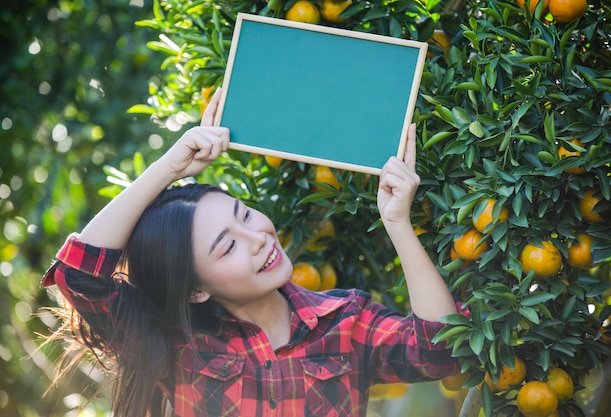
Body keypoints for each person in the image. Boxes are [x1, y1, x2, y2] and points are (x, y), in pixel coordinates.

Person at [41, 87, 463, 417]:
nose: (258, 236)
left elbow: (440, 353)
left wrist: (398, 224)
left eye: (244, 215)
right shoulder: (177, 344)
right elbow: (77, 275)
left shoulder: (345, 322)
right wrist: (168, 168)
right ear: (194, 291)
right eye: (227, 246)